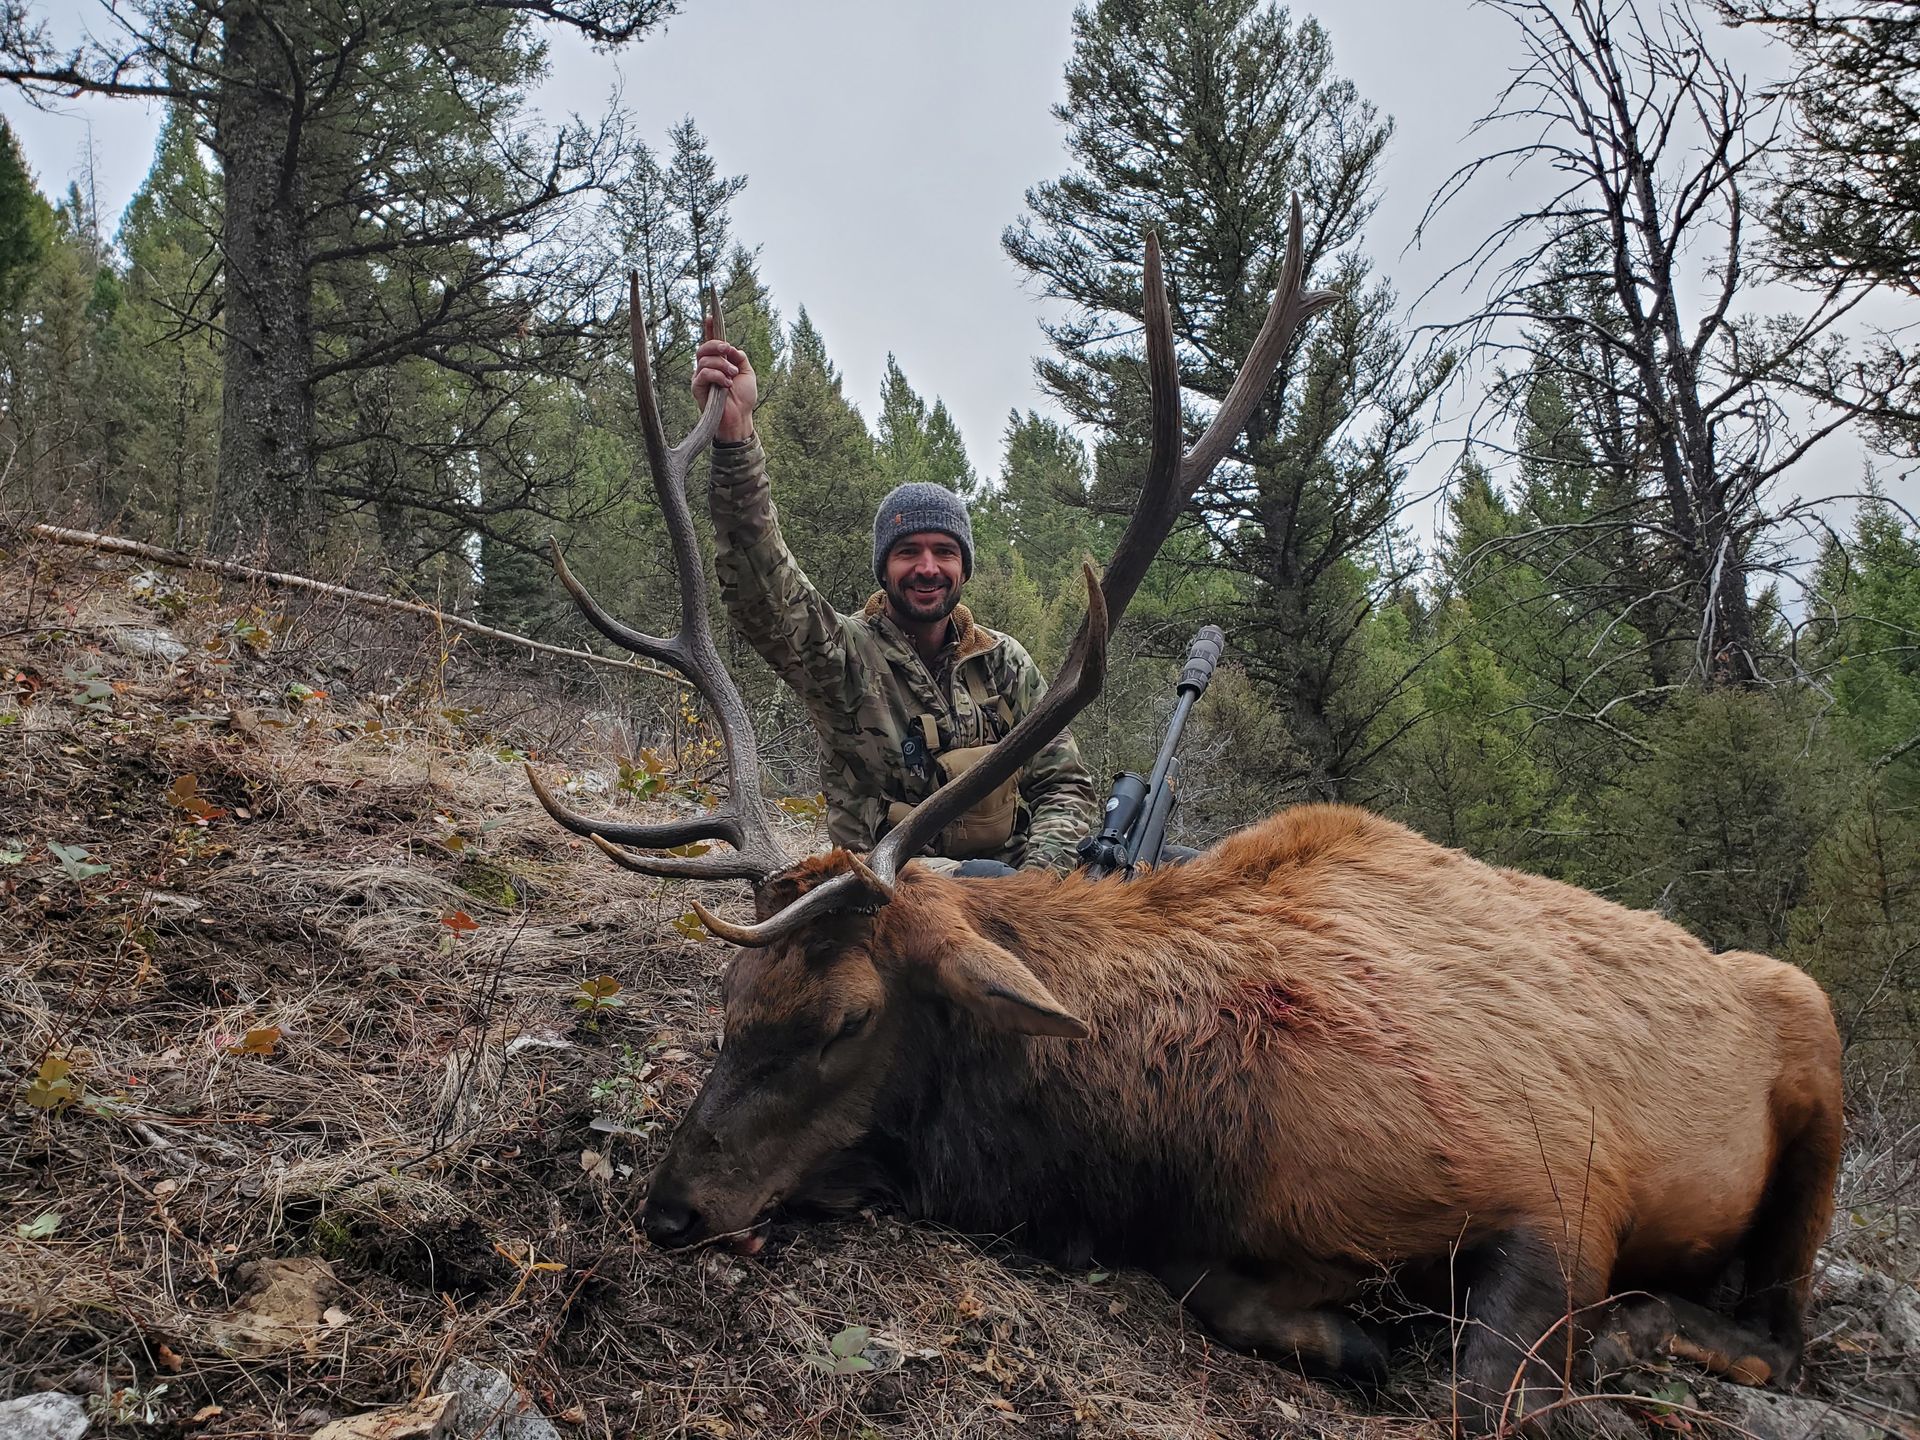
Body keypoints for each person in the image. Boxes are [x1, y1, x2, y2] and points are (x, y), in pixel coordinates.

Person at [692, 327, 1098, 874]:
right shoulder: (841, 658)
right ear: (884, 567)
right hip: (890, 894)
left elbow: (1062, 783)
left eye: (943, 552)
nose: (928, 568)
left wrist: (1041, 881)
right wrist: (735, 439)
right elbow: (764, 588)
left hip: (1015, 891)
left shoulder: (1006, 664)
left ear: (964, 567)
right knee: (986, 879)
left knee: (1167, 869)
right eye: (908, 551)